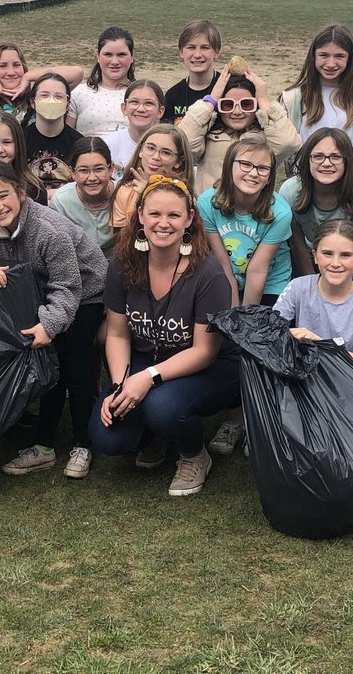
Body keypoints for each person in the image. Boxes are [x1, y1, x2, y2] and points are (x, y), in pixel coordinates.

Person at [0, 164, 107, 480]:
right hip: (46, 293)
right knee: (50, 367)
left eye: (3, 195)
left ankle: (83, 444)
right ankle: (44, 447)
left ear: (20, 193)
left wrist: (49, 324)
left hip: (88, 293)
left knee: (77, 368)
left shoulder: (49, 231)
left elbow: (68, 285)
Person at [88, 176, 240, 497]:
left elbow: (204, 352)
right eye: (155, 214)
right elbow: (116, 332)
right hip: (148, 358)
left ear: (189, 220)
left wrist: (148, 378)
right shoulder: (121, 265)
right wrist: (119, 385)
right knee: (107, 437)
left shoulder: (208, 274)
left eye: (174, 215)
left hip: (210, 366)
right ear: (140, 215)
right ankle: (157, 433)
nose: (163, 223)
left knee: (162, 406)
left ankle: (193, 453)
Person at [273, 220, 353, 381]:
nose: (335, 263)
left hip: (342, 383)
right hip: (301, 377)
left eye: (345, 255)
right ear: (315, 255)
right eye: (327, 253)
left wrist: (320, 343)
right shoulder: (297, 287)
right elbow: (269, 331)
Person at [198, 135, 292, 308]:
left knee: (264, 326)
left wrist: (247, 320)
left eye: (263, 168)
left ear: (270, 177)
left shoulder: (280, 212)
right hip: (225, 271)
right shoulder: (206, 203)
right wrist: (234, 314)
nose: (254, 173)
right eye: (246, 165)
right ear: (229, 166)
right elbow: (223, 262)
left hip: (270, 279)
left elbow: (258, 269)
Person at [179, 67, 299, 191]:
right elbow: (183, 143)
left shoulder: (268, 137)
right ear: (218, 106)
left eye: (246, 104)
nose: (237, 111)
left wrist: (264, 100)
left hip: (253, 207)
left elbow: (289, 143)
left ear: (256, 105)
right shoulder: (206, 132)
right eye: (228, 104)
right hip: (210, 208)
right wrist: (211, 99)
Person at [279, 128, 353, 277]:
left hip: (342, 254)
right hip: (304, 252)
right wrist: (310, 279)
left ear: (347, 161)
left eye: (336, 157)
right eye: (318, 156)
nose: (326, 163)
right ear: (307, 159)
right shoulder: (290, 192)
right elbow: (296, 241)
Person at [280, 24, 353, 165]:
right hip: (305, 181)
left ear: (349, 59)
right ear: (313, 56)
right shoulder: (293, 98)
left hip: (347, 183)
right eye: (324, 55)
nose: (331, 64)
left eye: (339, 56)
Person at [110, 124, 195, 230]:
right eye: (150, 148)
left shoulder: (185, 194)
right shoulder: (125, 191)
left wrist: (147, 193)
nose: (155, 157)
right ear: (141, 150)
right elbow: (122, 239)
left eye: (166, 153)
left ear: (178, 161)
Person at [50, 138, 116, 255]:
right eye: (84, 170)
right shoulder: (62, 201)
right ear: (73, 173)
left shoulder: (124, 193)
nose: (92, 178)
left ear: (111, 169)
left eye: (99, 169)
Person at [21, 71, 82, 197]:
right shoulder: (19, 139)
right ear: (33, 102)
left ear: (68, 104)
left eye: (59, 96)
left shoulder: (79, 144)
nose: (51, 101)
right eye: (44, 95)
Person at [68, 26, 135, 138]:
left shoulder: (143, 94)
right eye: (108, 54)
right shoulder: (78, 94)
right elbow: (66, 138)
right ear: (98, 56)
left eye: (121, 55)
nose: (114, 61)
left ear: (132, 56)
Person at [162, 20, 222, 125]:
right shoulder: (173, 95)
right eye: (191, 47)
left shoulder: (229, 89)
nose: (197, 54)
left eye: (205, 48)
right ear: (181, 52)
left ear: (216, 51)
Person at [103, 79, 165, 173]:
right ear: (124, 108)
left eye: (148, 103)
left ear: (160, 111)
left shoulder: (169, 145)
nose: (140, 109)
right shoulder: (109, 144)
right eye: (134, 102)